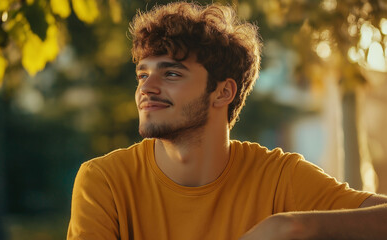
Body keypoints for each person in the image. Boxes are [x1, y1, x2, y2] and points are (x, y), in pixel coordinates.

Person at [67, 2, 387, 239]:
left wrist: (293, 227)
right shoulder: (104, 182)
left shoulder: (277, 176)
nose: (146, 88)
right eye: (142, 74)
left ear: (222, 92)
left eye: (172, 73)